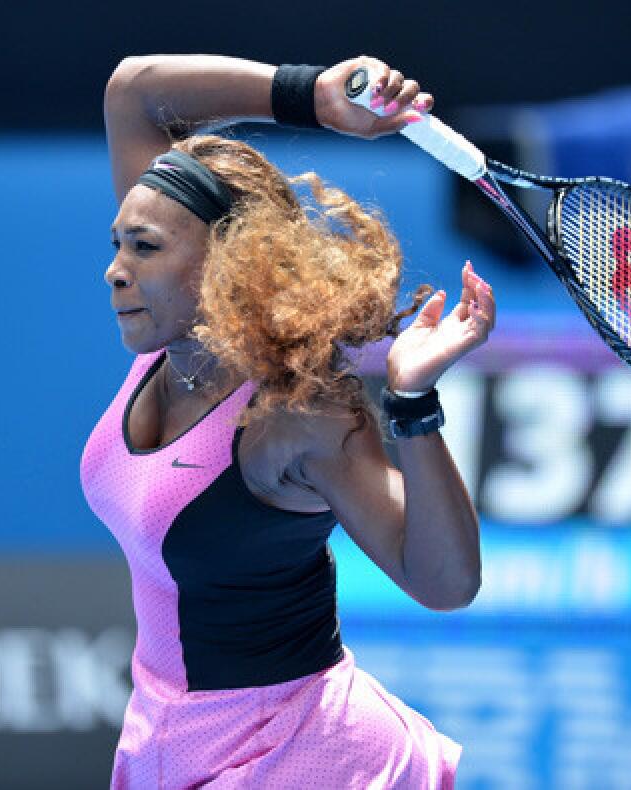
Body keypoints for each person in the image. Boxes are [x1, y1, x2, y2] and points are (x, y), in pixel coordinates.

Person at [81, 54, 495, 789]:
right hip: (172, 737)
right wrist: (312, 98)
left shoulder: (295, 411)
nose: (116, 268)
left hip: (308, 759)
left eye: (143, 248)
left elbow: (444, 581)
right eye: (118, 243)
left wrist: (411, 403)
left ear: (228, 265)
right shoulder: (171, 332)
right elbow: (133, 92)